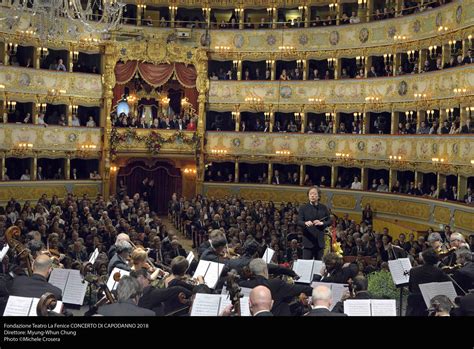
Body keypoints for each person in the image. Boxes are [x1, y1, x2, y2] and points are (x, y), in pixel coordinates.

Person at [406, 248, 450, 316]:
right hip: (431, 304)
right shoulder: (438, 271)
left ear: (423, 259)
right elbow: (443, 288)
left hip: (415, 305)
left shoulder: (413, 270)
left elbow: (410, 288)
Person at [297, 186, 332, 260]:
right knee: (306, 265)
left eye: (314, 194)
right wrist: (305, 223)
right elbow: (299, 221)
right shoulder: (303, 208)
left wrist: (321, 223)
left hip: (319, 242)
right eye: (310, 194)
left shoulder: (323, 208)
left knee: (319, 265)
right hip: (308, 241)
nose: (312, 196)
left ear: (319, 196)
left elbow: (329, 221)